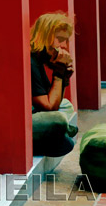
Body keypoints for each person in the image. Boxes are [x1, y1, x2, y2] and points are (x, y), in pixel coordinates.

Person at [30, 12, 78, 157]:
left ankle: (59, 132)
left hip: (35, 112)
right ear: (44, 37)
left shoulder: (39, 60)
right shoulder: (31, 62)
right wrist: (58, 74)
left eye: (66, 41)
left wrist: (63, 77)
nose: (63, 46)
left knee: (66, 105)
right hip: (18, 127)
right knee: (59, 119)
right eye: (60, 39)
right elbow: (49, 107)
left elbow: (54, 102)